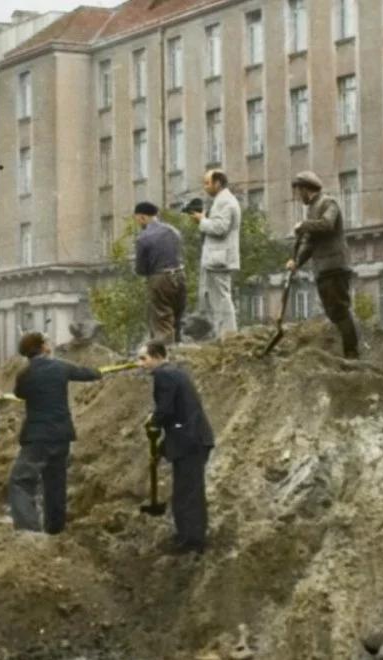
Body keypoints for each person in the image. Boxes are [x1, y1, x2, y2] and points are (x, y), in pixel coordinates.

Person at [8, 332, 102, 534]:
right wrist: (100, 371)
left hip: (37, 437)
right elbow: (90, 374)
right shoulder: (61, 367)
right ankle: (55, 529)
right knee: (55, 483)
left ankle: (28, 529)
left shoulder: (25, 374)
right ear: (43, 347)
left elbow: (19, 394)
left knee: (21, 481)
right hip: (61, 434)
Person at [137, 339, 215, 555]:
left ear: (158, 357)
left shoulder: (164, 375)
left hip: (189, 442)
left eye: (144, 358)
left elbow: (166, 409)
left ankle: (191, 541)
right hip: (192, 439)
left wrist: (153, 422)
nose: (140, 364)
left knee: (187, 493)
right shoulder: (176, 373)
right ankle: (189, 536)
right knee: (189, 491)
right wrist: (163, 445)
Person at [287, 171, 360, 359]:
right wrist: (297, 262)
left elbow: (327, 224)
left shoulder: (328, 202)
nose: (297, 196)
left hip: (335, 266)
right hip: (324, 269)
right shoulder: (312, 209)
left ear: (305, 189)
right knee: (334, 312)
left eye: (298, 191)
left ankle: (352, 353)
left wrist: (303, 225)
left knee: (340, 311)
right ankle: (348, 351)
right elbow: (309, 243)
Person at [189, 169, 241, 339]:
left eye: (207, 183)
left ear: (218, 183)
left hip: (219, 259)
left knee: (222, 299)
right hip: (218, 258)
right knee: (217, 299)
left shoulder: (225, 201)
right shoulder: (222, 200)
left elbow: (220, 228)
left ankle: (229, 335)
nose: (205, 187)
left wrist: (201, 221)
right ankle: (223, 334)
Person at [134, 201, 187, 345]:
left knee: (162, 319)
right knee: (177, 318)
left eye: (137, 219)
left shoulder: (143, 238)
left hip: (159, 279)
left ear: (142, 217)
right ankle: (179, 347)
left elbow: (141, 269)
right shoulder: (174, 231)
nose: (138, 222)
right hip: (180, 275)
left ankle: (165, 355)